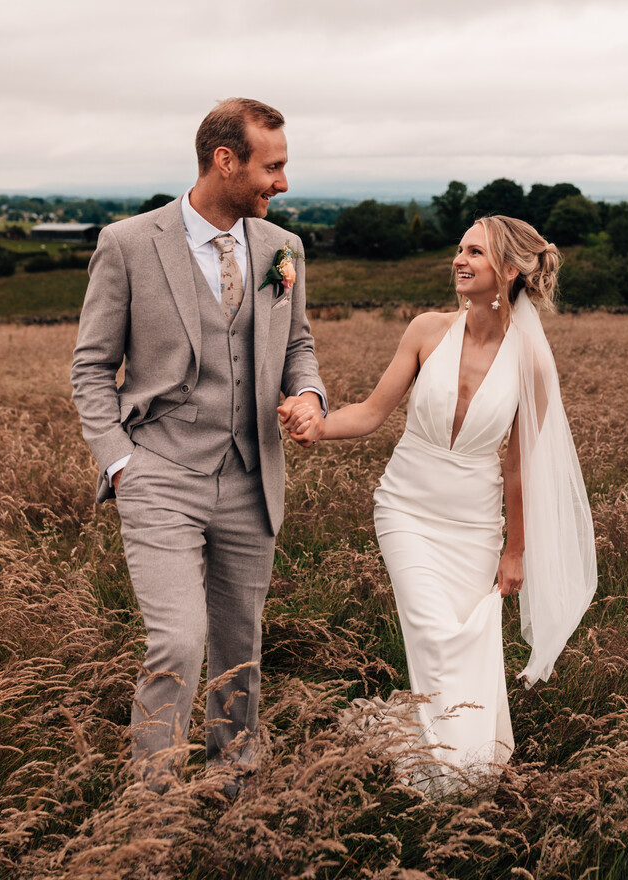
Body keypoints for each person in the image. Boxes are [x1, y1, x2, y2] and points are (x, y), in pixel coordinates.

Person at [279, 216, 596, 789]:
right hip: (405, 508)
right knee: (431, 629)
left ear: (508, 270)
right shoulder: (426, 330)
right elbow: (374, 412)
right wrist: (317, 428)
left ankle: (471, 755)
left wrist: (515, 551)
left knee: (467, 633)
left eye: (475, 252)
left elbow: (518, 464)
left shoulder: (532, 362)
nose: (460, 259)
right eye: (459, 249)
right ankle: (445, 769)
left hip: (475, 523)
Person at [70, 98, 326, 792]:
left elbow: (296, 345)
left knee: (240, 647)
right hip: (161, 474)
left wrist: (309, 396)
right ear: (225, 160)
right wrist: (122, 463)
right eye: (272, 167)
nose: (282, 183)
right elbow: (90, 369)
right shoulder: (127, 243)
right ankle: (151, 807)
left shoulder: (283, 251)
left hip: (252, 475)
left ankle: (233, 789)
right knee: (178, 641)